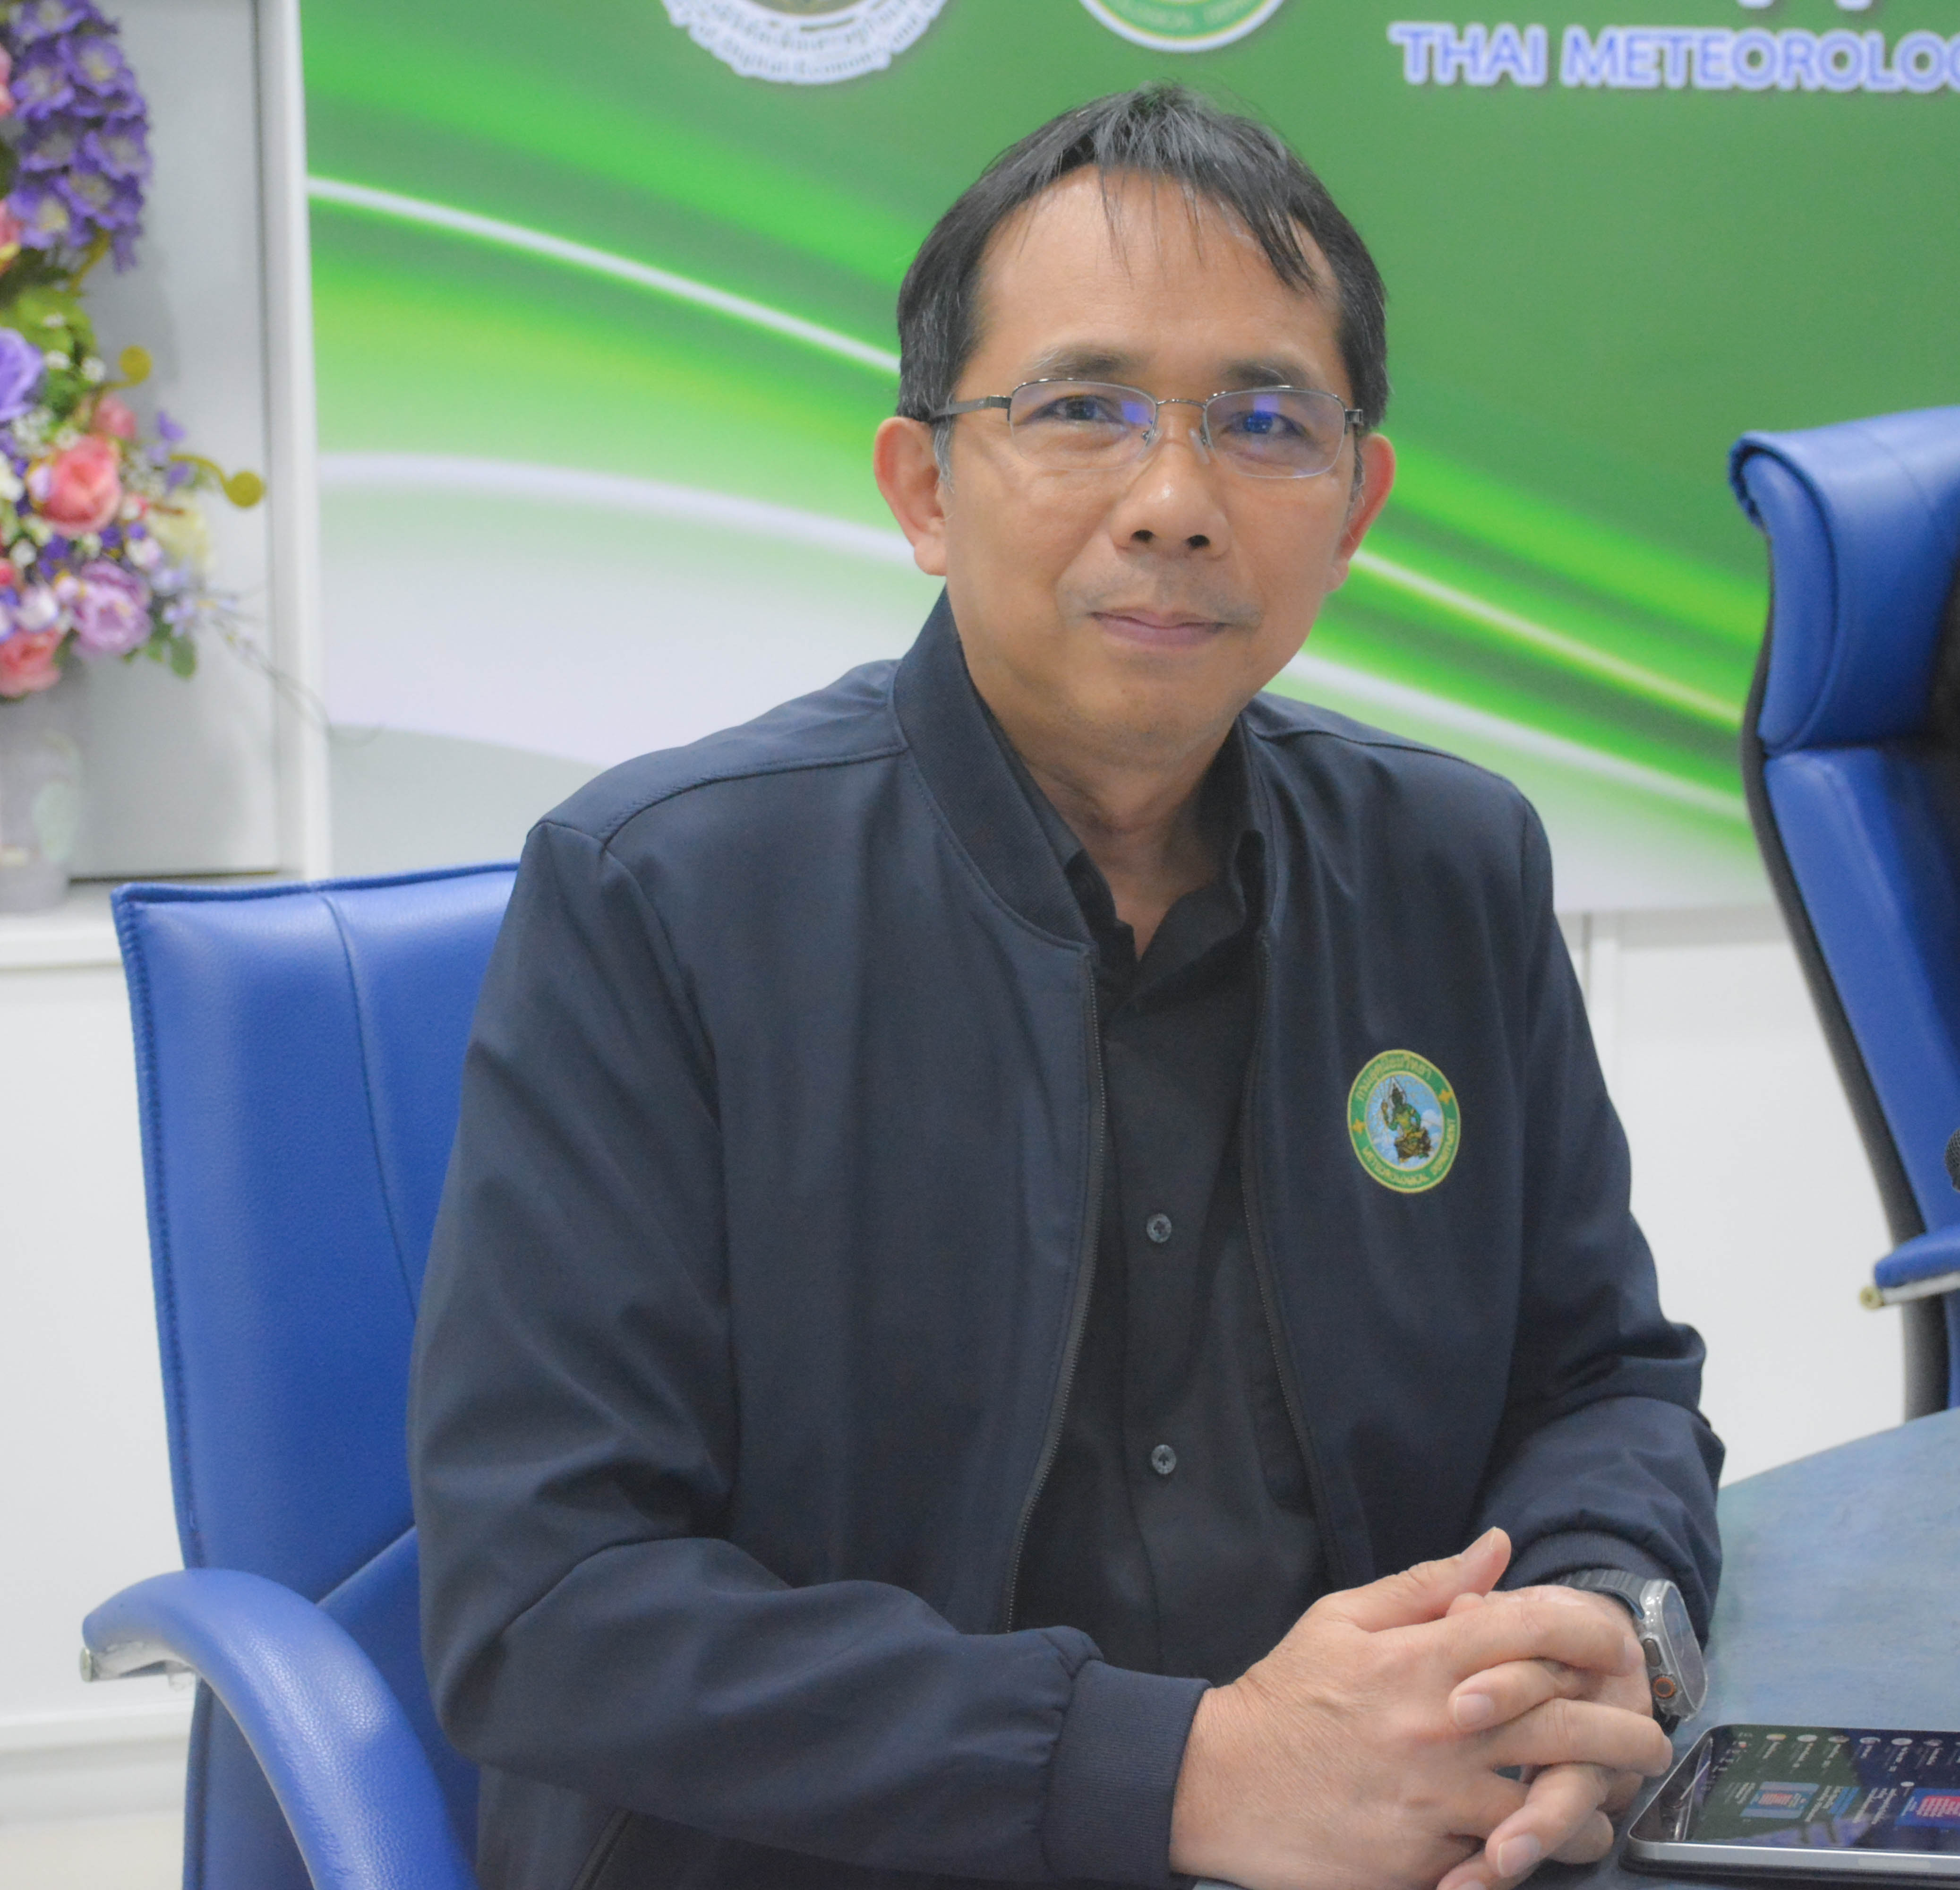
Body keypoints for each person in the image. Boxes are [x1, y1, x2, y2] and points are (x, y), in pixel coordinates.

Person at [410, 85, 1721, 1890]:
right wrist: (1184, 1772)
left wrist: (1594, 1625)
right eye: (1082, 408)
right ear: (925, 489)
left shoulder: (1451, 865)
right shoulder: (661, 896)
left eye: (1266, 422)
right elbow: (550, 1606)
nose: (1176, 502)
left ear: (1355, 504)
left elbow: (1605, 1379)